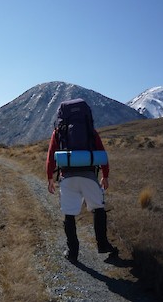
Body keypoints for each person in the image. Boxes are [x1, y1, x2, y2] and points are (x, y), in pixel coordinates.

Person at [46, 102, 118, 263]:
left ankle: (72, 251)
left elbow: (51, 156)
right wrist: (105, 175)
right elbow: (102, 153)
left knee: (69, 213)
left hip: (67, 178)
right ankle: (103, 245)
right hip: (89, 177)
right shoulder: (90, 131)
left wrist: (50, 178)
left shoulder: (58, 132)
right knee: (98, 209)